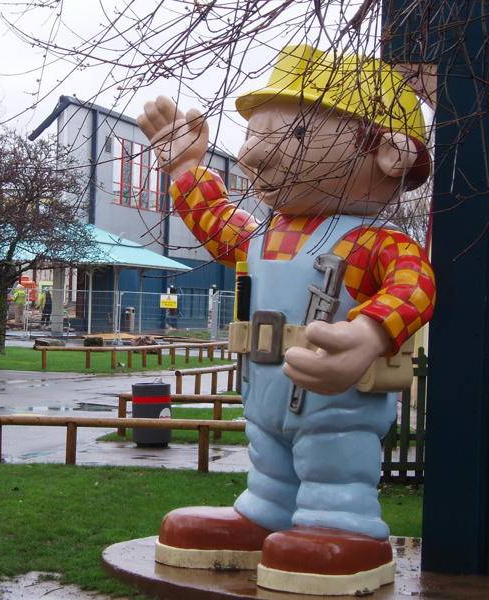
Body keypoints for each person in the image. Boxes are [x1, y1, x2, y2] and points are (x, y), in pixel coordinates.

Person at [138, 44, 435, 595]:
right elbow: (216, 221)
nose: (253, 156)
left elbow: (414, 285)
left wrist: (369, 331)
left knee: (334, 460)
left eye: (291, 136)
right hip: (266, 392)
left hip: (336, 403)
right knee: (270, 460)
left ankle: (344, 527)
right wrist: (184, 166)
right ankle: (266, 513)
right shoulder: (266, 238)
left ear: (389, 153)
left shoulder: (373, 241)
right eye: (253, 137)